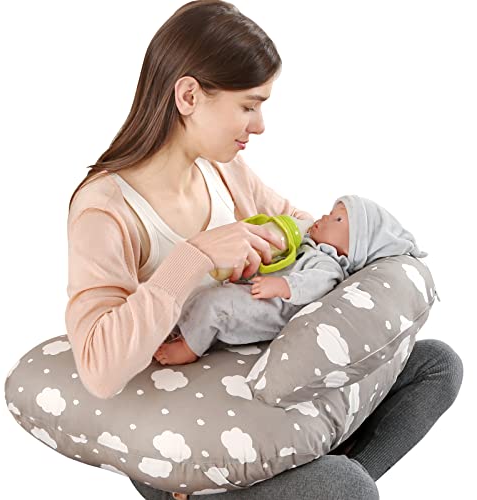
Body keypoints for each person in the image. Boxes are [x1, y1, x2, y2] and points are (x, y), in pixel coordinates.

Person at [65, 1, 463, 499]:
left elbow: (308, 230)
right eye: (249, 105)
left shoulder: (222, 171)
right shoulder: (105, 210)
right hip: (186, 439)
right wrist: (193, 257)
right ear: (189, 96)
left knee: (437, 365)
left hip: (261, 399)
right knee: (346, 487)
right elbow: (99, 369)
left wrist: (300, 245)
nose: (259, 125)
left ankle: (299, 470)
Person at [154, 195, 429, 366]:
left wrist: (283, 286)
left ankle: (190, 347)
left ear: (354, 246)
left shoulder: (328, 264)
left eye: (337, 219)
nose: (325, 216)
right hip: (255, 291)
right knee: (201, 293)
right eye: (330, 211)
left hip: (274, 308)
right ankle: (174, 328)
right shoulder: (308, 245)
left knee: (215, 305)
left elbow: (316, 284)